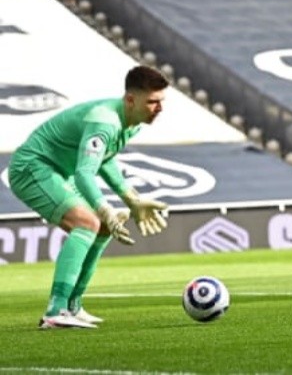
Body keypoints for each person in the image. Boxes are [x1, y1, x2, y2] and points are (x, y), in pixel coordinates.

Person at [9, 65, 171, 328]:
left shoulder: (131, 123)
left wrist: (131, 198)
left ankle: (73, 306)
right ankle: (55, 311)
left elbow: (104, 159)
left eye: (162, 102)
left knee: (103, 227)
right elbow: (85, 174)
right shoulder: (104, 121)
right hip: (33, 168)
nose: (160, 109)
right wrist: (105, 207)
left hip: (59, 171)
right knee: (88, 222)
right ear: (130, 100)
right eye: (153, 102)